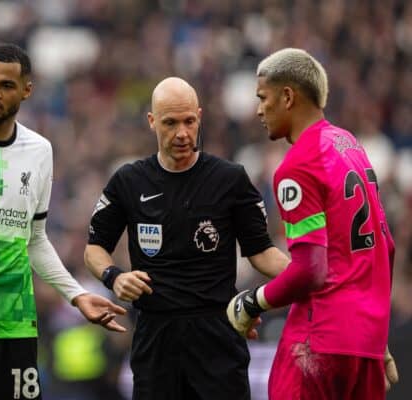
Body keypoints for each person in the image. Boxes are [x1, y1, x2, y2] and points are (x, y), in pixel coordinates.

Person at [0, 43, 127, 400]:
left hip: (14, 323)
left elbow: (35, 239)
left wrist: (76, 296)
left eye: (6, 85)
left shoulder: (39, 150)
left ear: (27, 90)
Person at [84, 76, 290, 400]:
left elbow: (262, 253)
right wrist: (114, 277)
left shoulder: (230, 179)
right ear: (152, 122)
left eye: (189, 121)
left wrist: (309, 276)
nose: (182, 133)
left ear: (199, 117)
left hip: (216, 335)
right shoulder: (129, 180)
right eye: (170, 123)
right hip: (155, 336)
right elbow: (95, 248)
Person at [226, 48, 399, 399]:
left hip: (318, 339)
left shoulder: (299, 165)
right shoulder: (350, 146)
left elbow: (310, 269)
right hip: (365, 344)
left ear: (287, 96)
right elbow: (386, 248)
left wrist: (252, 302)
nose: (258, 110)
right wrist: (376, 341)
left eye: (263, 97)